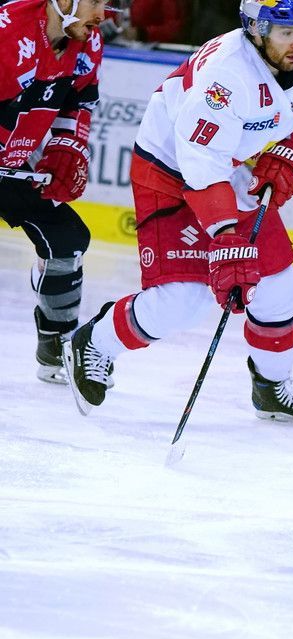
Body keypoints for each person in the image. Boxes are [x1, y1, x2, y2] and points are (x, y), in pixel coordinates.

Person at [62, 0, 293, 426]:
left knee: (277, 281)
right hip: (169, 170)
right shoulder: (225, 77)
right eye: (286, 32)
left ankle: (272, 386)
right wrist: (226, 239)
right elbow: (200, 165)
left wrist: (287, 153)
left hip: (227, 166)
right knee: (183, 301)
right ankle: (94, 342)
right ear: (256, 30)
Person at [0, 0, 111, 384]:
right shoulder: (8, 34)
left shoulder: (87, 40)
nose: (102, 14)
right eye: (95, 1)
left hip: (11, 163)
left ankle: (56, 343)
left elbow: (79, 99)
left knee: (66, 239)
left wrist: (68, 146)